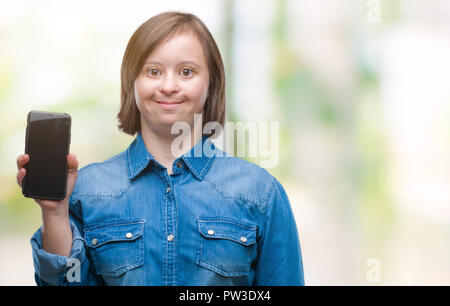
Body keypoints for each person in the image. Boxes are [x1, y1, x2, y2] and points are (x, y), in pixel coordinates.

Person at [16, 11, 304, 286]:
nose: (168, 86)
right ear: (133, 83)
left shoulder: (260, 193)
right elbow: (66, 283)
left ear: (211, 84)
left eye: (186, 72)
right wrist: (54, 214)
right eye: (153, 71)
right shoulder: (85, 191)